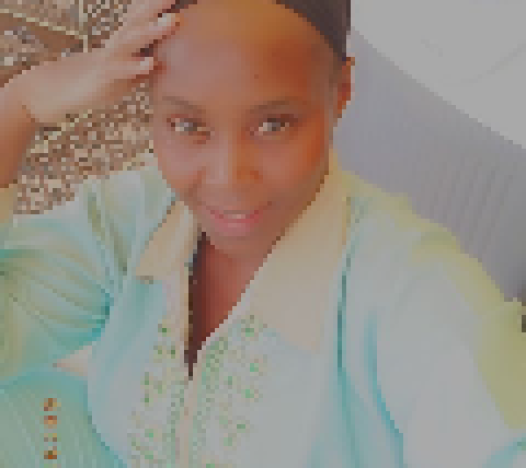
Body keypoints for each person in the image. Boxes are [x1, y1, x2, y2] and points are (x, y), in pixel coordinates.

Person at [0, 0, 524, 466]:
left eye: (274, 124)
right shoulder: (137, 218)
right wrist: (21, 105)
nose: (228, 178)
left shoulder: (415, 298)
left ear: (341, 93)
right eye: (188, 125)